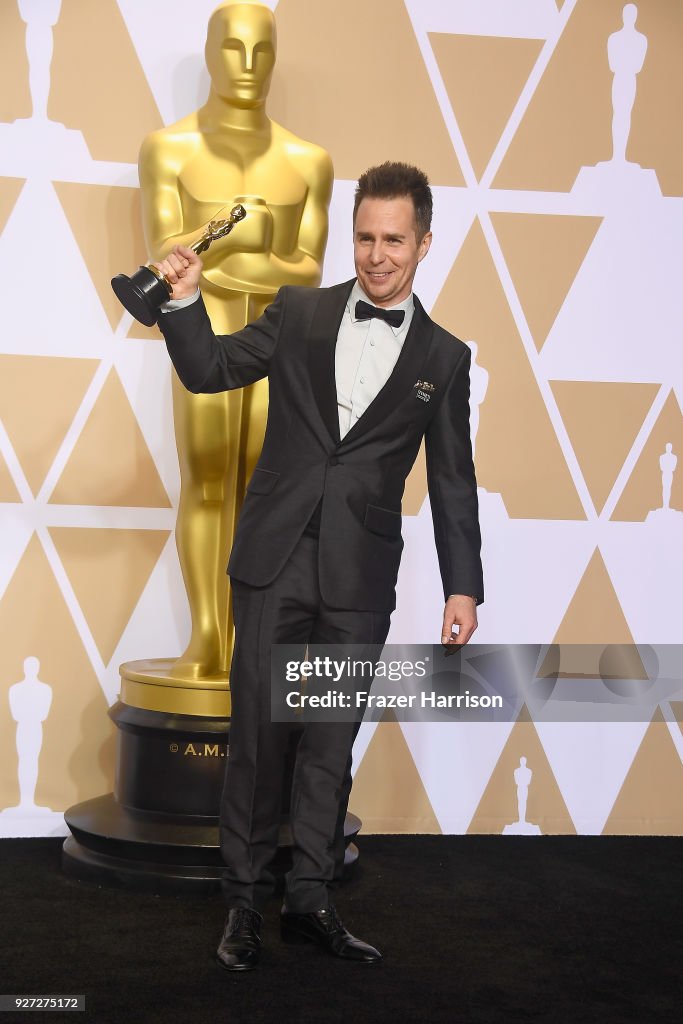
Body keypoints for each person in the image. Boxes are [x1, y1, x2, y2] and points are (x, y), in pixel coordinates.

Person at [155, 162, 484, 970]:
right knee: (259, 741)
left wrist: (462, 584)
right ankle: (241, 907)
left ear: (425, 243)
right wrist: (187, 300)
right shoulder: (299, 312)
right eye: (364, 238)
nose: (376, 256)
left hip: (358, 578)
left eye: (393, 240)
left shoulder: (443, 357)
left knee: (329, 747)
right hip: (273, 561)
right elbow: (211, 370)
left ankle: (308, 898)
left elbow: (451, 477)